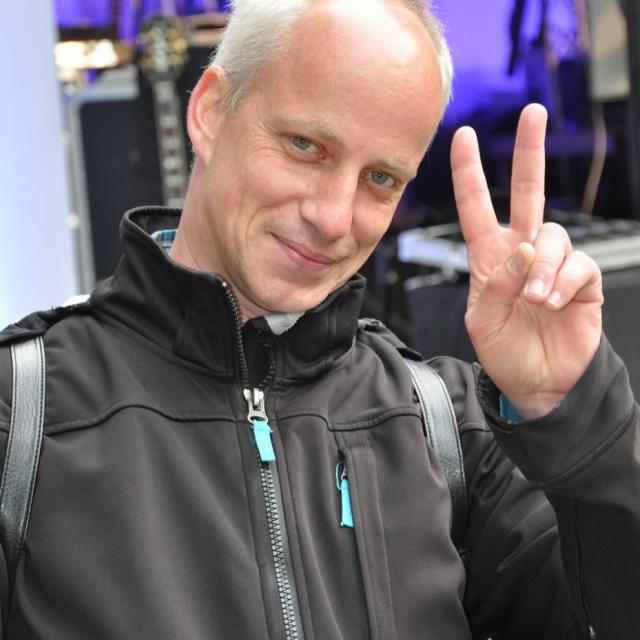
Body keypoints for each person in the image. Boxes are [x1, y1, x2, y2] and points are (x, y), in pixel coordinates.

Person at [0, 0, 638, 637]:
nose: (334, 218)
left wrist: (575, 419)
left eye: (381, 178)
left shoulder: (445, 428)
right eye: (305, 146)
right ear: (210, 112)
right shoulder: (22, 412)